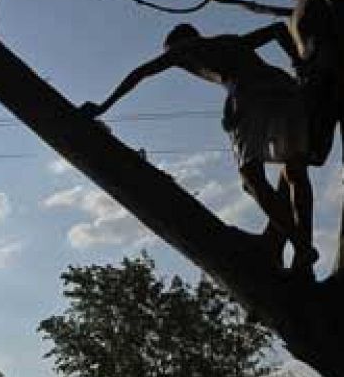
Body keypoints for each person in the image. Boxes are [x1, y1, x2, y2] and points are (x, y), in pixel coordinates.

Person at [83, 23, 317, 277]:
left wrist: (103, 106)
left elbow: (140, 73)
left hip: (250, 94)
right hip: (285, 89)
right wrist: (298, 63)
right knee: (295, 171)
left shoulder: (184, 49)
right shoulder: (231, 40)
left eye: (170, 56)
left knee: (252, 179)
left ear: (178, 44)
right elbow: (277, 29)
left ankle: (301, 246)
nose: (178, 65)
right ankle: (300, 251)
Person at [271, 0, 338, 167]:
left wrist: (318, 78)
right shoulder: (297, 9)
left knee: (301, 155)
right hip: (307, 82)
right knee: (292, 156)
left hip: (321, 81)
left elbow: (324, 40)